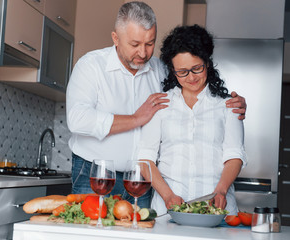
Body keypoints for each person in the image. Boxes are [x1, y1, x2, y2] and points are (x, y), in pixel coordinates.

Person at [66, 2, 246, 208]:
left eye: (149, 43)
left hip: (140, 180)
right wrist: (135, 119)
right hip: (96, 173)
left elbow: (190, 84)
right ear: (115, 38)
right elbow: (77, 120)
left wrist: (234, 105)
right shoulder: (91, 66)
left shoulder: (160, 70)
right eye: (135, 44)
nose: (143, 53)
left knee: (139, 231)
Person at [137, 25, 247, 215]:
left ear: (207, 63)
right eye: (182, 71)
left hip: (217, 209)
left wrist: (220, 190)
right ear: (173, 70)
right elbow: (145, 159)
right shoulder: (161, 104)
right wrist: (168, 196)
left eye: (197, 68)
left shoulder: (228, 105)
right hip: (168, 210)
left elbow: (234, 155)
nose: (191, 77)